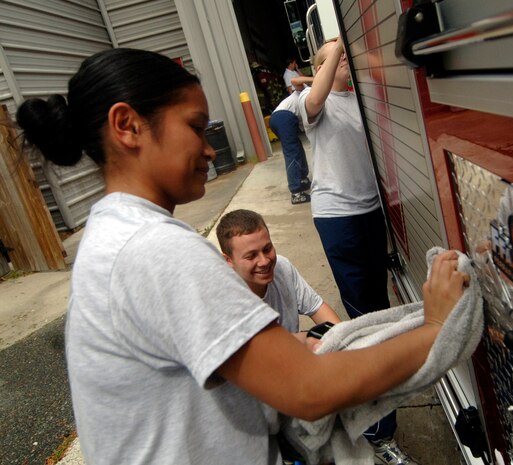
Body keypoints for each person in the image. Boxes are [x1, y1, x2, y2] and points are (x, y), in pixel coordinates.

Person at [15, 48, 469, 465]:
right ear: (128, 126)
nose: (210, 147)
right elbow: (309, 390)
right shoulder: (154, 248)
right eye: (194, 126)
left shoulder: (113, 235)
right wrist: (434, 327)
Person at [299, 38, 413, 465]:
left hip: (371, 211)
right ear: (322, 66)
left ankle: (379, 407)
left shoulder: (363, 99)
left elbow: (390, 71)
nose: (346, 60)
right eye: (336, 57)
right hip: (338, 218)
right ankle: (379, 433)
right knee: (365, 321)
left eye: (348, 55)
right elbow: (314, 94)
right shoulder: (311, 103)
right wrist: (333, 56)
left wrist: (356, 54)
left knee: (380, 309)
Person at [216, 208, 341, 339]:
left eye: (267, 249)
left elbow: (317, 308)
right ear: (228, 260)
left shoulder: (282, 267)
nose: (264, 261)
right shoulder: (225, 303)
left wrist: (345, 337)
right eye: (251, 256)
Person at [269, 75, 314, 205]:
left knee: (297, 148)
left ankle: (302, 179)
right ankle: (296, 193)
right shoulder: (306, 89)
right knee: (292, 152)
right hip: (283, 117)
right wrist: (315, 79)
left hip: (284, 119)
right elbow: (294, 80)